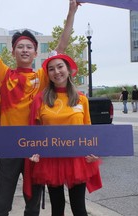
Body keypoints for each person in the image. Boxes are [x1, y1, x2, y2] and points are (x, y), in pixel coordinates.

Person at [0, 0, 80, 215]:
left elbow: (61, 47)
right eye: (20, 46)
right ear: (12, 52)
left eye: (29, 46)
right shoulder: (4, 74)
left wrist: (72, 11)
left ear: (35, 52)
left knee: (33, 205)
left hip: (35, 148)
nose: (24, 50)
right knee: (1, 204)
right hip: (9, 146)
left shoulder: (42, 76)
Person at [24, 53, 102, 216]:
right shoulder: (40, 99)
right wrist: (33, 151)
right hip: (51, 160)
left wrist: (94, 151)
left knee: (79, 208)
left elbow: (88, 128)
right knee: (57, 208)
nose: (56, 72)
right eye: (51, 69)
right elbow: (34, 130)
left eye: (60, 67)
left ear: (68, 70)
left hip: (77, 160)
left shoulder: (81, 99)